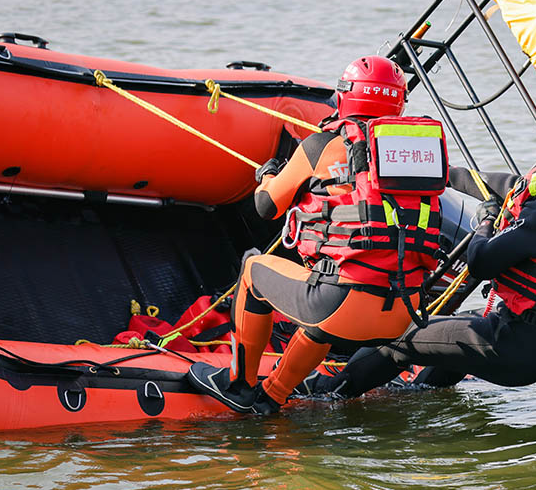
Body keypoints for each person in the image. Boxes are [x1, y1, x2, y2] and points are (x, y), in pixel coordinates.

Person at [304, 86, 536, 398]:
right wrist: (443, 173)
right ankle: (419, 400)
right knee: (451, 343)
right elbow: (511, 185)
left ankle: (324, 394)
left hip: (515, 347)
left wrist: (485, 221)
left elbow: (481, 261)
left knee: (395, 335)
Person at [186, 55, 449, 414]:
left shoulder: (321, 145)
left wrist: (267, 175)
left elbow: (266, 206)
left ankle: (241, 385)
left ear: (345, 98)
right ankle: (273, 395)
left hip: (342, 308)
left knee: (253, 270)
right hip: (406, 310)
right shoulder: (420, 153)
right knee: (327, 296)